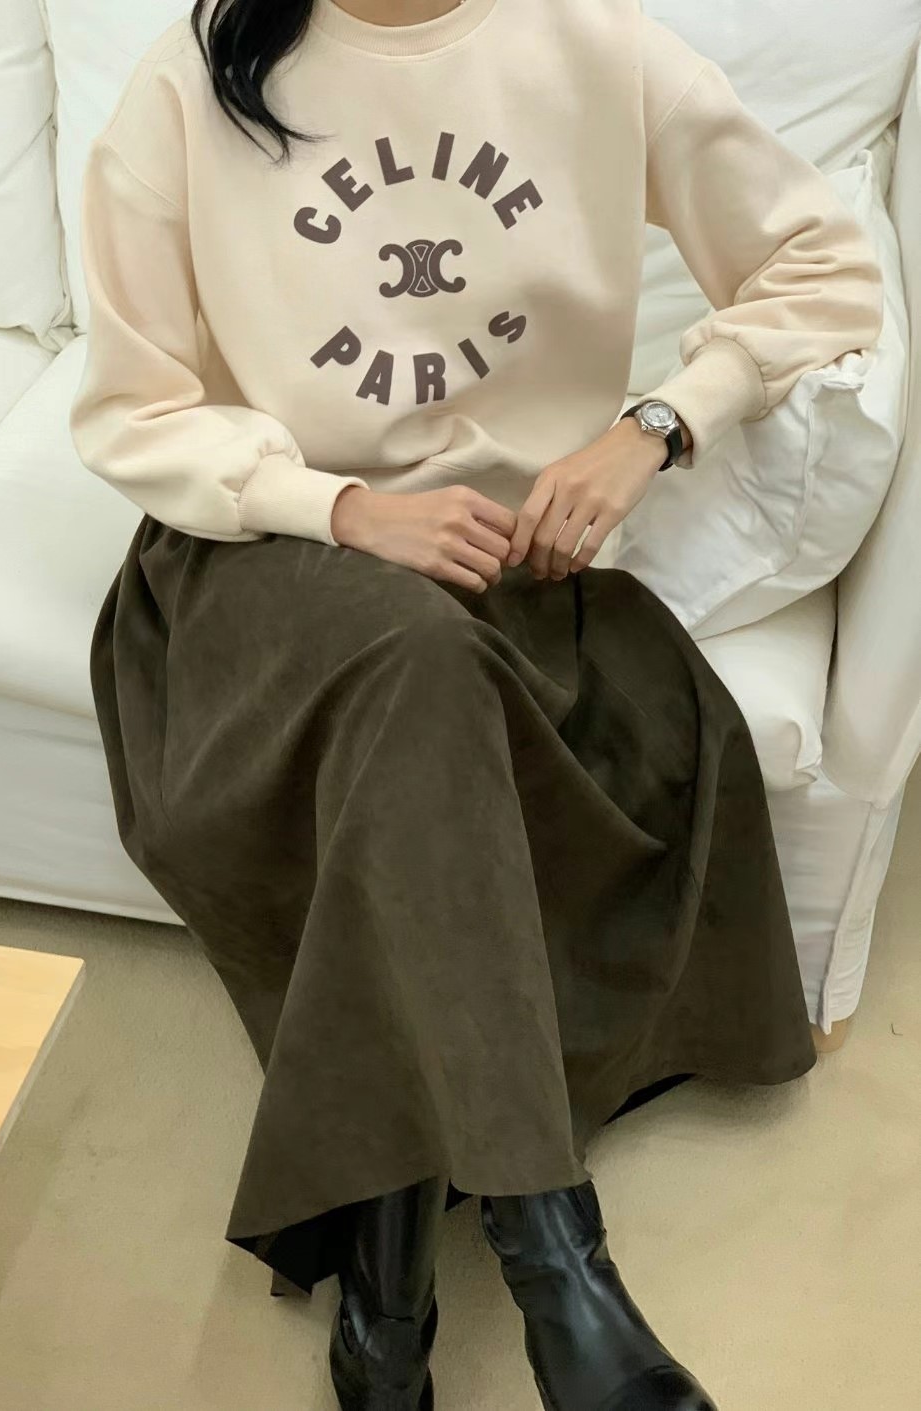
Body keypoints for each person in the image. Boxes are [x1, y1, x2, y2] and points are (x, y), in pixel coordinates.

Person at [69, 1, 883, 1407]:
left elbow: (822, 268)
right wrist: (339, 507)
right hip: (265, 560)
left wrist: (656, 425)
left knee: (430, 689)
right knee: (418, 668)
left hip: (502, 581)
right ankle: (557, 1262)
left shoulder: (594, 46)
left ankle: (388, 1288)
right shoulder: (197, 77)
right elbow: (131, 410)